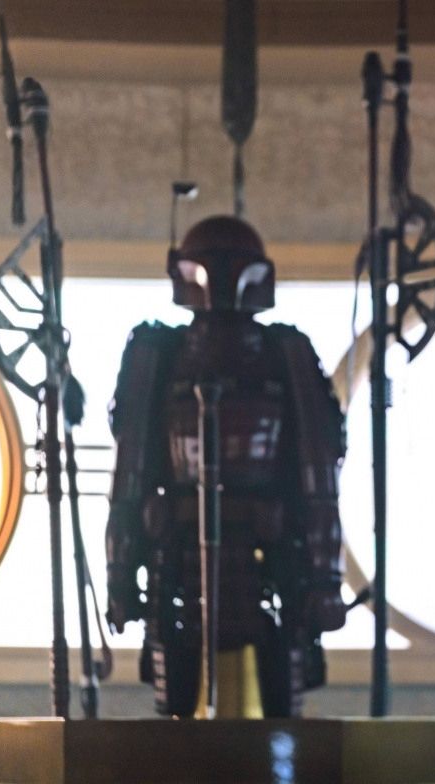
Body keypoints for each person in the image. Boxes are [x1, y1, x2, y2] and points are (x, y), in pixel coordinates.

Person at [106, 215, 347, 717]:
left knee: (283, 710)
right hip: (177, 554)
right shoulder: (158, 353)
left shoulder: (286, 353)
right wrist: (120, 573)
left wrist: (325, 578)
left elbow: (318, 474)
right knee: (175, 711)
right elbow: (130, 477)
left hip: (269, 555)